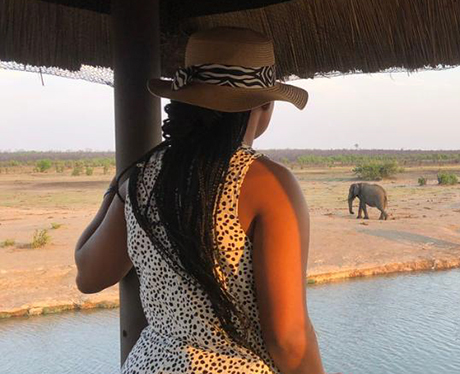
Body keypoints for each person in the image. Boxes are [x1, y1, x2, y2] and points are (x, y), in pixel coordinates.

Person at [73, 27, 327, 373]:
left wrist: (118, 189)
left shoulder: (143, 176)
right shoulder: (269, 183)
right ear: (265, 105)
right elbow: (288, 338)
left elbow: (89, 277)